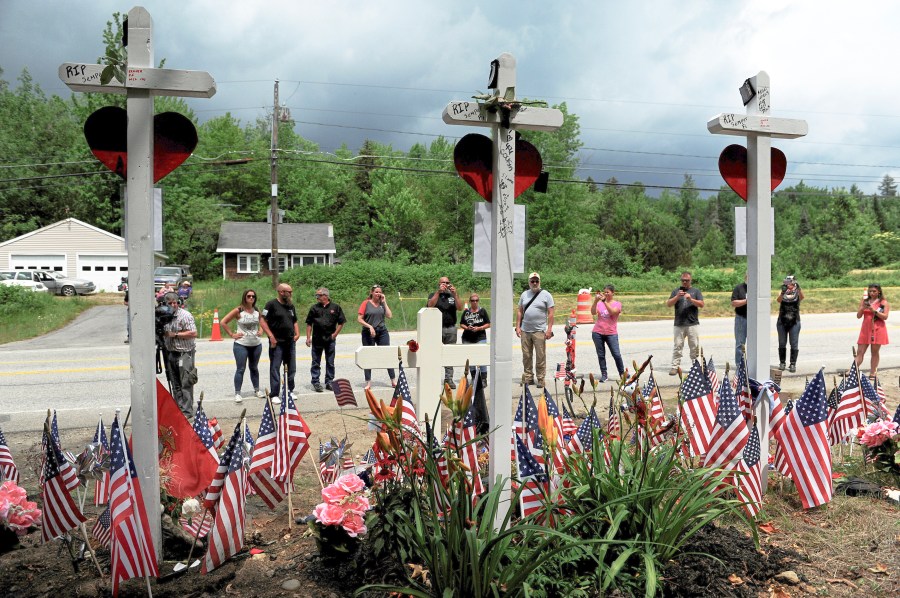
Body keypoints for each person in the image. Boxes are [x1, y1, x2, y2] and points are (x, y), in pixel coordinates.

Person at [221, 289, 265, 404]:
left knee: (254, 368)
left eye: (253, 296)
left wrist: (261, 330)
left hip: (256, 344)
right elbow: (223, 322)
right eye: (249, 296)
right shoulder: (239, 310)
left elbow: (263, 321)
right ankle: (237, 393)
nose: (251, 298)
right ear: (244, 297)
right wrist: (232, 334)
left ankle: (257, 390)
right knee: (241, 369)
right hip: (241, 344)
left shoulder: (256, 310)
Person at [261, 283, 300, 403]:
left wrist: (297, 333)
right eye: (289, 291)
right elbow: (262, 320)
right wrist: (271, 336)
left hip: (290, 342)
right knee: (275, 367)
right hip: (277, 342)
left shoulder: (290, 306)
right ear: (281, 292)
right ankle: (274, 394)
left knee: (291, 368)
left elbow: (294, 321)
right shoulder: (271, 304)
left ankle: (289, 391)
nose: (291, 294)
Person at [162, 292, 198, 418]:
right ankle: (179, 409)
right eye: (170, 303)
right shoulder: (165, 316)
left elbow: (193, 333)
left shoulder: (185, 315)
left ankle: (187, 412)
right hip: (171, 352)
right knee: (175, 383)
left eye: (175, 302)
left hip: (185, 353)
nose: (173, 305)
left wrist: (175, 334)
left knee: (186, 382)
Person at [516, 272, 555, 387]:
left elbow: (551, 313)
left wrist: (549, 329)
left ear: (539, 282)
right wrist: (518, 327)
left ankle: (541, 378)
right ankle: (528, 377)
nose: (534, 283)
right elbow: (519, 311)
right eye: (532, 281)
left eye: (536, 281)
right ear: (529, 282)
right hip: (525, 330)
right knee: (526, 356)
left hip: (539, 331)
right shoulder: (524, 295)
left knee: (540, 356)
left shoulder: (546, 295)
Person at [305, 287, 346, 392]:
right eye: (316, 295)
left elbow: (341, 322)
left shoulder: (335, 307)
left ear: (325, 296)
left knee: (330, 362)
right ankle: (316, 382)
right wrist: (308, 337)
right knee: (315, 362)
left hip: (330, 339)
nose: (317, 297)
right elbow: (309, 323)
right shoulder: (314, 308)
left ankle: (329, 382)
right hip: (317, 339)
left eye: (318, 295)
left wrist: (335, 334)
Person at [427, 275, 463, 388]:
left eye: (447, 282)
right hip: (437, 328)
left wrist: (455, 294)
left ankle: (449, 379)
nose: (446, 284)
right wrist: (438, 292)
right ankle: (432, 378)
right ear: (439, 284)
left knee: (449, 354)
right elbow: (429, 305)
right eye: (443, 283)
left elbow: (460, 307)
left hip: (451, 328)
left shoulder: (452, 295)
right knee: (434, 353)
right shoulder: (434, 294)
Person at [357, 285, 396, 390]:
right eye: (376, 292)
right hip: (368, 332)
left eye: (380, 292)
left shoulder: (382, 304)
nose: (378, 294)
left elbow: (389, 315)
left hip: (382, 331)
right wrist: (369, 326)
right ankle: (368, 382)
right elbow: (359, 319)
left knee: (387, 354)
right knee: (368, 356)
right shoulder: (366, 303)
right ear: (372, 293)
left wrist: (384, 302)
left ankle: (393, 380)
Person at [666, 271, 704, 375]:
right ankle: (675, 366)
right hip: (679, 324)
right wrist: (677, 297)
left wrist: (691, 299)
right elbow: (668, 304)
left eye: (687, 280)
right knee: (678, 346)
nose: (684, 282)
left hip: (692, 323)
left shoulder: (696, 291)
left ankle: (695, 366)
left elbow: (701, 304)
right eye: (683, 280)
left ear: (690, 280)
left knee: (694, 346)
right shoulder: (676, 291)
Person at [590, 284, 624, 383]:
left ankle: (622, 373)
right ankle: (604, 374)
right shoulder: (600, 303)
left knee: (616, 354)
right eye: (604, 292)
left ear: (613, 293)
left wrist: (604, 302)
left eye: (608, 292)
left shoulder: (617, 304)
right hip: (598, 332)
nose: (605, 294)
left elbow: (613, 312)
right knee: (601, 355)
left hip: (611, 333)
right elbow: (592, 312)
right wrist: (596, 301)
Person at [855, 283, 890, 378]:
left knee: (874, 352)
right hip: (865, 329)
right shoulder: (865, 301)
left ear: (879, 291)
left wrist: (873, 310)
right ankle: (853, 370)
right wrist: (862, 308)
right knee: (860, 351)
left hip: (877, 328)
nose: (872, 293)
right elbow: (858, 316)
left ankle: (873, 371)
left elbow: (885, 317)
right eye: (870, 291)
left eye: (874, 291)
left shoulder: (883, 303)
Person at [460, 293, 491, 387]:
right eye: (473, 300)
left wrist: (480, 328)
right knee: (470, 358)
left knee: (481, 357)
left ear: (478, 301)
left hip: (480, 337)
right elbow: (461, 324)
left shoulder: (482, 311)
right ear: (470, 301)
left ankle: (484, 378)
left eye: (476, 300)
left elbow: (488, 324)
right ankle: (474, 377)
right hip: (467, 337)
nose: (475, 302)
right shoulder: (466, 312)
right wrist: (467, 327)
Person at [776, 275, 804, 373]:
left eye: (791, 282)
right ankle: (782, 362)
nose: (789, 284)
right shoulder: (782, 290)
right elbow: (778, 300)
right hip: (782, 320)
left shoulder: (797, 291)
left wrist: (799, 289)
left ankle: (793, 363)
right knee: (782, 342)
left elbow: (802, 298)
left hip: (794, 320)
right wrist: (783, 291)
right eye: (787, 282)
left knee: (794, 343)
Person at [731, 274, 748, 367]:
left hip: (754, 320)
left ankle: (752, 365)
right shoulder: (739, 288)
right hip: (741, 318)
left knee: (755, 344)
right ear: (745, 277)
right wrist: (746, 301)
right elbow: (733, 303)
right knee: (740, 344)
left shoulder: (757, 287)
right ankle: (739, 366)